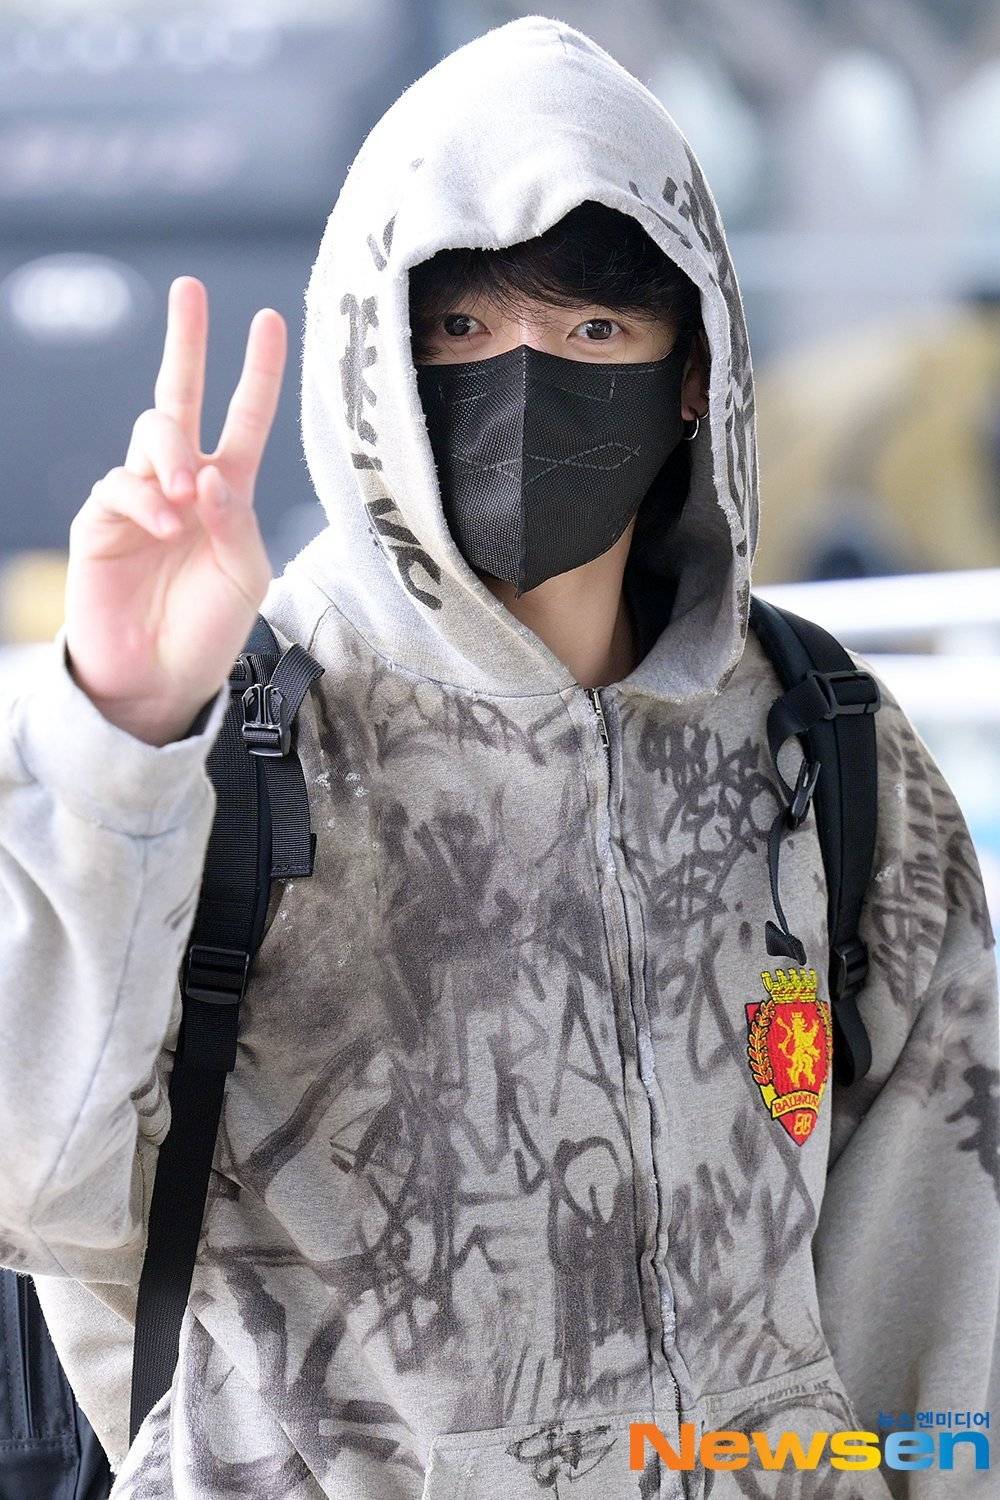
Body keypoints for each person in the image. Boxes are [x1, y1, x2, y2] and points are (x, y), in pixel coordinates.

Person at [0, 15, 996, 1500]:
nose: (525, 385)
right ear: (377, 357)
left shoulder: (824, 738)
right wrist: (120, 737)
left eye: (593, 333)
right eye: (463, 330)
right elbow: (33, 1184)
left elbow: (940, 1261)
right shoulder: (227, 736)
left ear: (691, 371)